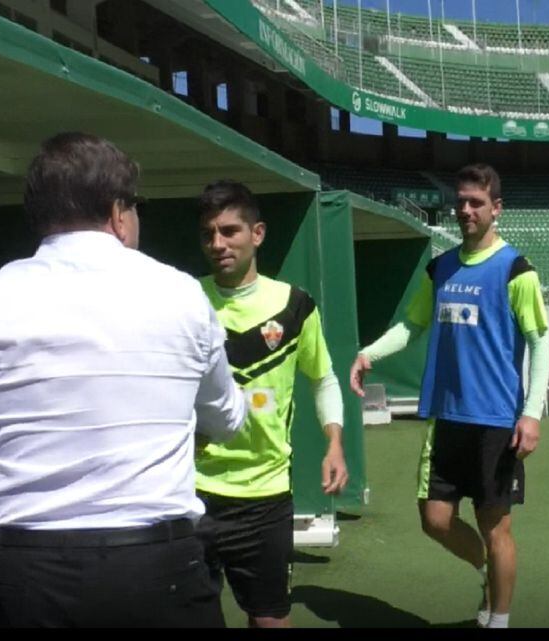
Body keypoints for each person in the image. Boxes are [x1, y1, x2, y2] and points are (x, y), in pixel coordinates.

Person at [0, 132, 247, 627]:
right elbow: (227, 419)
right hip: (160, 570)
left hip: (25, 574)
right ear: (119, 213)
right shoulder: (184, 297)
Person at [349, 164, 549, 629]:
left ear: (496, 209)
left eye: (476, 202)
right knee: (435, 519)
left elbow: (540, 342)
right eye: (460, 201)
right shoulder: (440, 267)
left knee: (496, 525)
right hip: (447, 416)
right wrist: (368, 354)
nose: (465, 210)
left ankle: (498, 618)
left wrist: (532, 414)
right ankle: (487, 573)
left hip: (498, 420)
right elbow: (411, 325)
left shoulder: (516, 270)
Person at [194, 180, 349, 628]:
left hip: (264, 494)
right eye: (208, 234)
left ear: (256, 234)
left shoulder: (294, 305)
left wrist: (334, 443)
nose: (217, 244)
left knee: (270, 620)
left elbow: (323, 379)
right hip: (191, 489)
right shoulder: (185, 300)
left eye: (229, 231)